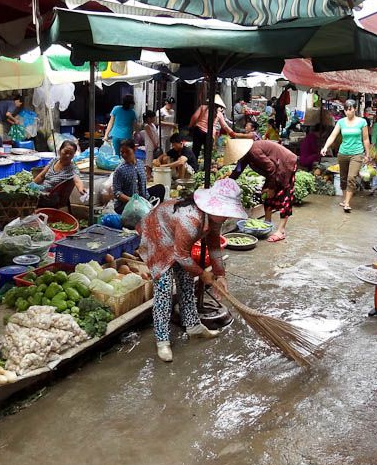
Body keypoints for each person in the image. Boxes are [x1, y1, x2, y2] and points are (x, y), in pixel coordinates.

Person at [138, 178, 247, 362]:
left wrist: (220, 275)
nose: (227, 216)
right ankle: (162, 339)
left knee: (187, 280)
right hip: (158, 234)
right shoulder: (190, 219)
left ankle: (193, 326)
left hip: (178, 241)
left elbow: (213, 245)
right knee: (164, 288)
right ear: (214, 207)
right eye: (225, 211)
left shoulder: (213, 219)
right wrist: (203, 274)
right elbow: (181, 256)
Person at [230, 139, 297, 242]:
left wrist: (271, 187)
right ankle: (267, 224)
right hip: (274, 170)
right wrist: (226, 182)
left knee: (284, 196)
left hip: (285, 165)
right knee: (266, 195)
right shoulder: (246, 154)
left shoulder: (253, 151)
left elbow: (271, 168)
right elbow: (238, 170)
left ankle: (281, 231)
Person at [320, 100, 371, 213]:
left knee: (351, 177)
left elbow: (366, 139)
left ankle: (347, 203)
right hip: (343, 153)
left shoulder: (362, 122)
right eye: (346, 109)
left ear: (355, 109)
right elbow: (333, 136)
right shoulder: (341, 122)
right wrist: (325, 147)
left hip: (357, 153)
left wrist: (367, 154)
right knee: (343, 179)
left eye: (350, 109)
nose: (348, 112)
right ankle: (345, 199)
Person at [112, 139, 166, 214]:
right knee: (139, 211)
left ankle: (154, 212)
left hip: (142, 199)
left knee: (160, 188)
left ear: (134, 150)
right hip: (127, 204)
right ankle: (148, 212)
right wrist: (133, 200)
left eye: (127, 152)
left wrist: (143, 200)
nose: (124, 155)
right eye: (122, 152)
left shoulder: (140, 164)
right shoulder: (119, 170)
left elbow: (143, 186)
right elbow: (117, 193)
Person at [188, 94, 235, 162]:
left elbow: (194, 117)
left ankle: (194, 168)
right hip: (209, 134)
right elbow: (225, 126)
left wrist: (190, 126)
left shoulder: (202, 108)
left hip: (198, 131)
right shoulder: (219, 114)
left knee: (196, 150)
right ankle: (206, 170)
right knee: (207, 154)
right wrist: (232, 133)